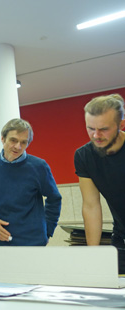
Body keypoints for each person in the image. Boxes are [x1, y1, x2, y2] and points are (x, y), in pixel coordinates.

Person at [0, 118, 61, 246]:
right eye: (13, 140)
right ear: (2, 138)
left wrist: (47, 231)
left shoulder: (39, 166)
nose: (18, 147)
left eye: (23, 142)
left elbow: (54, 198)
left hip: (33, 242)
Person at [74, 94, 125, 274]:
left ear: (121, 125)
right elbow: (91, 206)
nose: (96, 135)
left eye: (104, 129)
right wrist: (93, 256)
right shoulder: (84, 156)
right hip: (121, 238)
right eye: (90, 128)